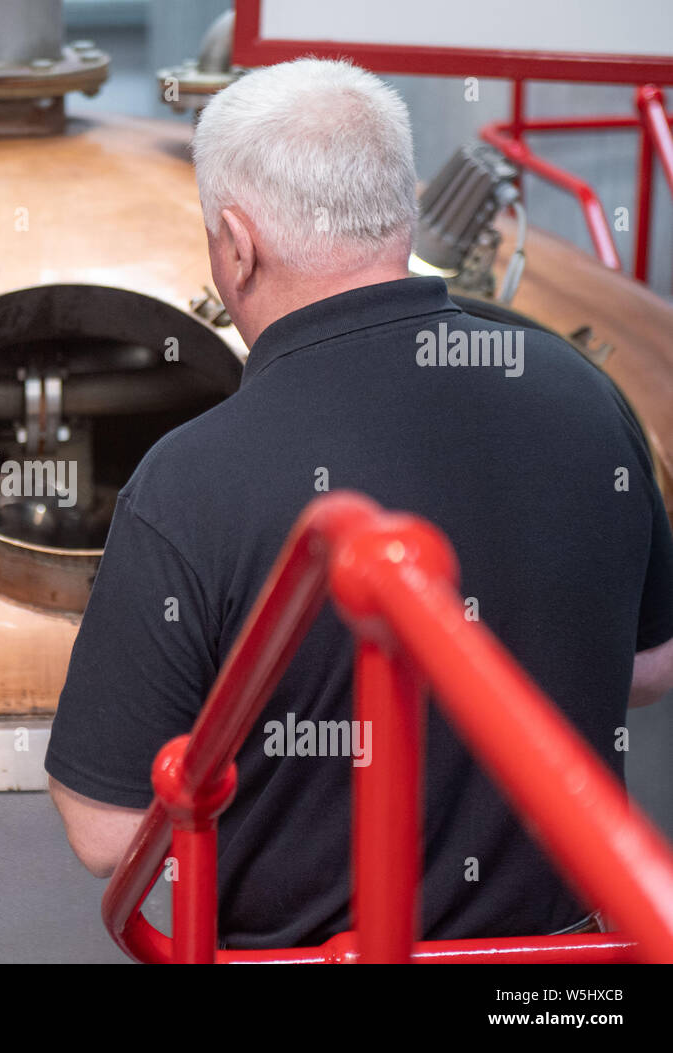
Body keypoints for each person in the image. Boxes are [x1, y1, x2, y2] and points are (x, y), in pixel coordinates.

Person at [45, 57, 673, 948]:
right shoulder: (583, 391)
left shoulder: (190, 479)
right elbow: (650, 666)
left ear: (237, 241)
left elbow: (105, 831)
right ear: (403, 209)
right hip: (565, 980)